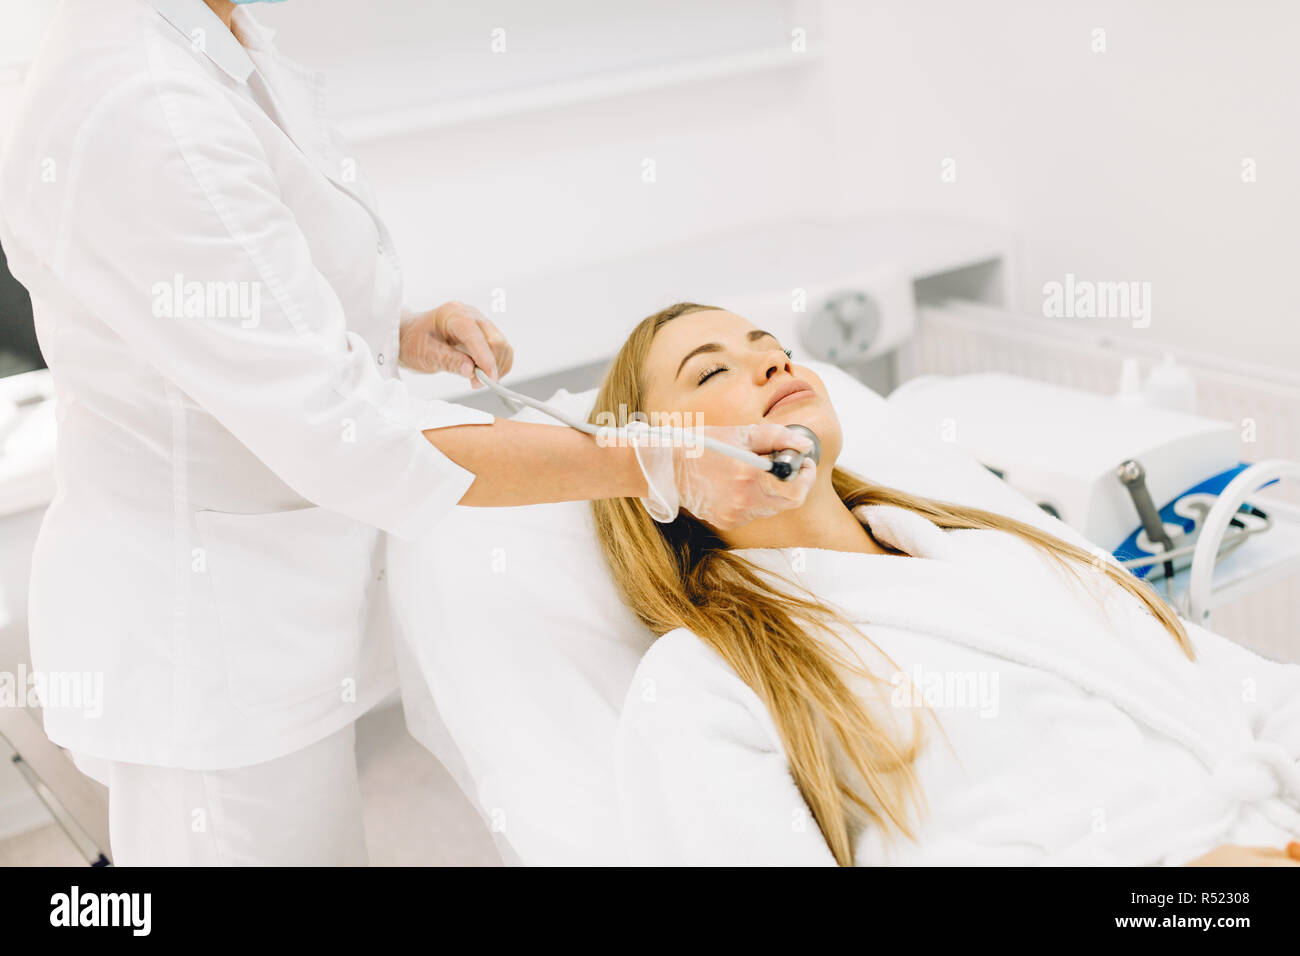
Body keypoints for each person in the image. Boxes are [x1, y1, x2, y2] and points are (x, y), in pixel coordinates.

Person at [0, 2, 815, 865]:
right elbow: (347, 436)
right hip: (203, 641)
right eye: (710, 371)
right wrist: (655, 460)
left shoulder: (216, 30)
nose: (768, 377)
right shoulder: (141, 104)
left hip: (274, 589)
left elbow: (245, 286)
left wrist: (394, 327)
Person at [590, 302, 1300, 866]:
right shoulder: (700, 679)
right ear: (652, 472)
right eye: (711, 373)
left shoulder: (1001, 551)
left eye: (771, 345)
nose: (772, 362)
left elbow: (1250, 690)